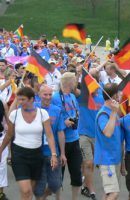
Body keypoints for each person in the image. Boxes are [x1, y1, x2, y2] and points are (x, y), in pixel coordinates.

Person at [0, 87, 58, 200]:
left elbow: (49, 135)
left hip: (36, 155)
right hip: (19, 155)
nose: (19, 102)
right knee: (25, 190)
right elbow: (9, 135)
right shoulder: (14, 114)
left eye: (22, 99)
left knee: (29, 193)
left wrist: (53, 154)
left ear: (31, 99)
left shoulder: (42, 113)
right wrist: (0, 152)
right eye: (18, 99)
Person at [52, 72, 82, 200]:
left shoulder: (72, 96)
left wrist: (75, 118)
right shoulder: (55, 97)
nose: (76, 83)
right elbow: (53, 117)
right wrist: (64, 122)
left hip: (74, 139)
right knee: (59, 175)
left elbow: (76, 111)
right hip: (61, 141)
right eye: (75, 81)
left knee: (76, 174)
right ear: (70, 83)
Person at [34, 85, 66, 200]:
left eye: (50, 94)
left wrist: (62, 153)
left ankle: (44, 196)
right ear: (39, 95)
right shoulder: (33, 108)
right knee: (39, 187)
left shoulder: (56, 110)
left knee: (55, 184)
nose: (48, 97)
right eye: (45, 94)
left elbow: (60, 132)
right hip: (37, 153)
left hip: (53, 153)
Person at [78, 70, 104, 200]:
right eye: (90, 83)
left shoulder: (103, 97)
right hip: (84, 135)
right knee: (88, 162)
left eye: (95, 83)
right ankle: (91, 190)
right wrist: (79, 73)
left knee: (91, 164)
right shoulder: (83, 97)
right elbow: (72, 87)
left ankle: (84, 186)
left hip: (97, 136)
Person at [94, 83, 122, 200]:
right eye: (119, 93)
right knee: (113, 193)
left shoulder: (112, 112)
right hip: (106, 159)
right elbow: (108, 133)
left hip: (115, 158)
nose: (120, 96)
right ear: (114, 96)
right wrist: (115, 112)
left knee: (108, 193)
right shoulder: (103, 114)